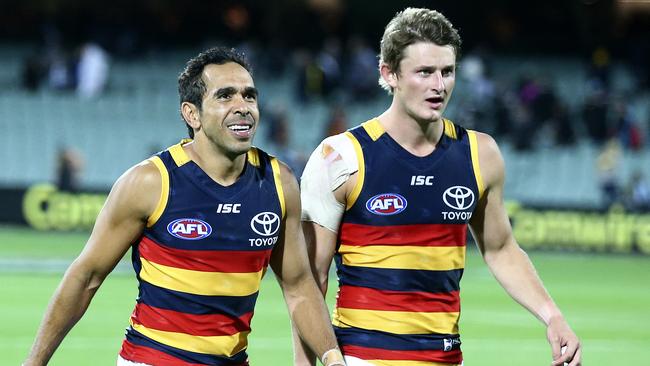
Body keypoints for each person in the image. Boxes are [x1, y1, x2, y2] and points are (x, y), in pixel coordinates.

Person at [24, 47, 345, 366]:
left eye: (249, 96)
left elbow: (300, 287)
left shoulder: (279, 182)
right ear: (192, 114)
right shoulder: (150, 182)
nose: (243, 107)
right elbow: (86, 278)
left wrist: (333, 359)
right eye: (225, 96)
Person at [296, 8, 581, 366]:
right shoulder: (340, 158)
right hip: (362, 359)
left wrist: (552, 316)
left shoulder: (480, 154)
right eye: (425, 72)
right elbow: (308, 282)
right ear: (389, 73)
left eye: (447, 71)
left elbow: (500, 248)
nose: (439, 85)